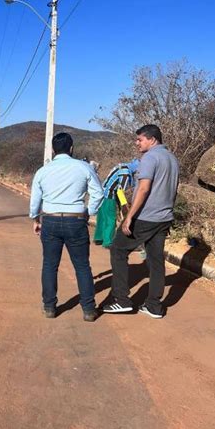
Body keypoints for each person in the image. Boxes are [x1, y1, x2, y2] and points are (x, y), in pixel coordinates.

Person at [103, 124, 179, 319]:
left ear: (152, 139)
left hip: (146, 217)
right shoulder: (171, 158)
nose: (137, 143)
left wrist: (129, 217)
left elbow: (143, 189)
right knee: (155, 260)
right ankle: (154, 305)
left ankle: (121, 300)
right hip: (164, 217)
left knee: (118, 249)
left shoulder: (149, 158)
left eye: (140, 139)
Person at [29, 133, 104, 322]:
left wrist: (35, 218)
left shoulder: (43, 171)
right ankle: (88, 310)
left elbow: (35, 199)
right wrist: (89, 212)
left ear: (53, 150)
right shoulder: (84, 167)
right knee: (82, 266)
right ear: (71, 148)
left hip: (51, 220)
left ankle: (49, 307)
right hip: (76, 220)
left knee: (49, 265)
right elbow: (98, 193)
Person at [93, 159, 140, 248]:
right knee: (111, 218)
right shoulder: (125, 173)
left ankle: (99, 238)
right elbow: (120, 191)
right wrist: (124, 206)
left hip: (102, 192)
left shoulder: (122, 166)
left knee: (102, 217)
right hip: (109, 195)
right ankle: (108, 241)